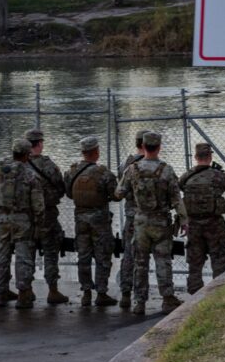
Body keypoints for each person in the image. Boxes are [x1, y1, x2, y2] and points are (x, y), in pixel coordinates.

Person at [115, 131, 186, 315]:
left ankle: (139, 302)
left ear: (143, 146)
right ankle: (167, 299)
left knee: (140, 262)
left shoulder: (132, 169)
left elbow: (118, 193)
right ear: (159, 147)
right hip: (161, 221)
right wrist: (184, 220)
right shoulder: (167, 170)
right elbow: (177, 199)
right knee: (163, 261)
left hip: (140, 222)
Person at [0, 139, 46, 309]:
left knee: (1, 257)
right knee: (23, 257)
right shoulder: (30, 175)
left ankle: (1, 294)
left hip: (2, 219)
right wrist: (39, 224)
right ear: (27, 154)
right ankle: (23, 294)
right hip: (23, 220)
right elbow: (38, 204)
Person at [64, 136, 120, 307]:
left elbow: (68, 193)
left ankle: (86, 293)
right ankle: (101, 292)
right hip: (100, 220)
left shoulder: (71, 172)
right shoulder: (103, 173)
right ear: (96, 152)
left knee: (83, 255)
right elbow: (115, 195)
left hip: (80, 219)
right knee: (103, 255)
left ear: (83, 152)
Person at [179, 143, 225, 294]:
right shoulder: (219, 176)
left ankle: (194, 293)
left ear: (196, 157)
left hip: (193, 225)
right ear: (210, 157)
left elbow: (179, 188)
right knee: (218, 259)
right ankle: (218, 293)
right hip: (214, 224)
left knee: (195, 261)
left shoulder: (186, 176)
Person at [22, 128, 69, 304]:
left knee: (27, 253)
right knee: (50, 252)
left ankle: (26, 291)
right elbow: (60, 186)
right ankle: (53, 290)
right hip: (47, 215)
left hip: (26, 217)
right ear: (40, 144)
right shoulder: (48, 165)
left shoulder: (18, 166)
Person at [117, 130, 148, 310]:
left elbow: (119, 190)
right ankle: (142, 297)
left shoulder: (125, 165)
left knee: (129, 254)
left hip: (131, 216)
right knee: (148, 257)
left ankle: (125, 293)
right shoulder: (157, 166)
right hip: (150, 217)